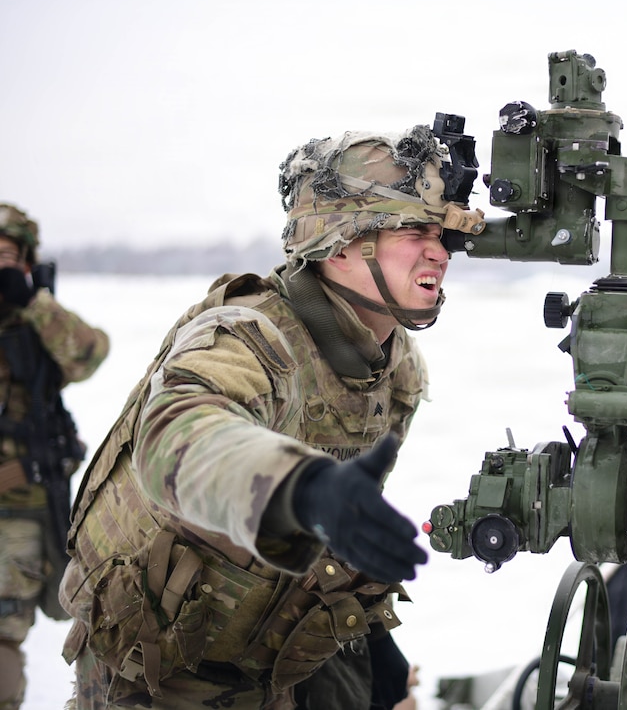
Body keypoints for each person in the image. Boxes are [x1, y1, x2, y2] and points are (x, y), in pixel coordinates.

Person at [59, 125, 485, 709]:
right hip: (156, 670)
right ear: (339, 245)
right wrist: (300, 487)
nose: (438, 252)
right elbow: (177, 437)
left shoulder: (396, 365)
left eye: (441, 234)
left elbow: (342, 513)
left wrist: (370, 638)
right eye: (412, 230)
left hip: (272, 654)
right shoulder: (248, 337)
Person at [0, 203, 110, 709]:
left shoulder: (36, 319)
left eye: (10, 257)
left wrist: (34, 303)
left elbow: (88, 354)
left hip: (31, 508)